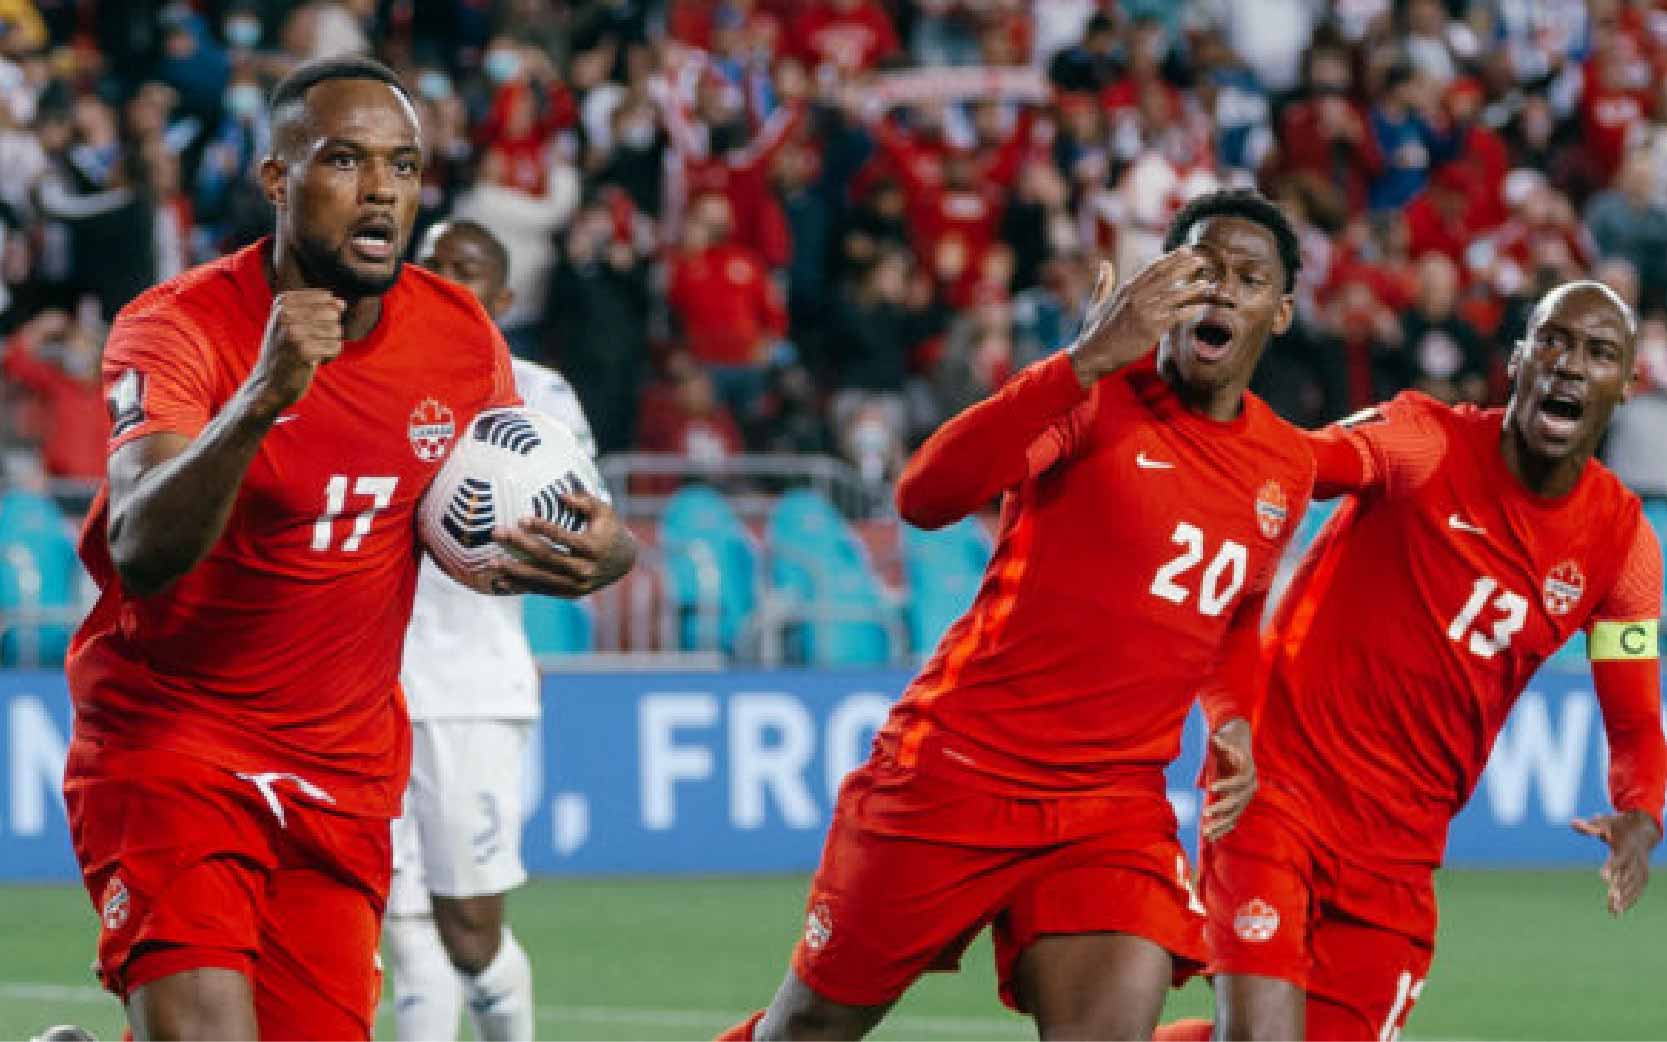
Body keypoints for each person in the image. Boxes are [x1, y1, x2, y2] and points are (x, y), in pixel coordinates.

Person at [59, 56, 637, 1041]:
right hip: (175, 749)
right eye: (344, 161)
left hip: (342, 776)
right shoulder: (178, 326)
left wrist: (606, 550)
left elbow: (531, 488)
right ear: (277, 180)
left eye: (403, 167)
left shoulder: (455, 334)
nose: (379, 190)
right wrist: (259, 401)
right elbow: (141, 544)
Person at [720, 189, 1317, 1041]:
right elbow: (924, 496)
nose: (1219, 291)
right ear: (1161, 284)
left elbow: (1236, 609)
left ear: (1281, 311)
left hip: (1111, 806)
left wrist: (1233, 720)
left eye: (1247, 278)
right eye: (1199, 270)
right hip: (956, 773)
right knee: (808, 1028)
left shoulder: (1284, 466)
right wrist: (1081, 359)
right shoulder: (1090, 394)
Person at [1202, 281, 1664, 1041]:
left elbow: (1635, 722)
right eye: (1551, 342)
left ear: (1624, 386)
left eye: (1598, 354)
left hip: (1399, 854)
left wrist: (1640, 818)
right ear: (1516, 362)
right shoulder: (1423, 442)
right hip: (1275, 794)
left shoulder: (1621, 549)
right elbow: (1300, 461)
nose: (1569, 367)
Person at [383, 219, 601, 1042]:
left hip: (470, 686)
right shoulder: (370, 376)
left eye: (462, 267)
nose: (439, 275)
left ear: (503, 299)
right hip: (371, 684)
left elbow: (585, 519)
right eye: (428, 261)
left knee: (467, 931)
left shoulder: (537, 396)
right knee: (403, 930)